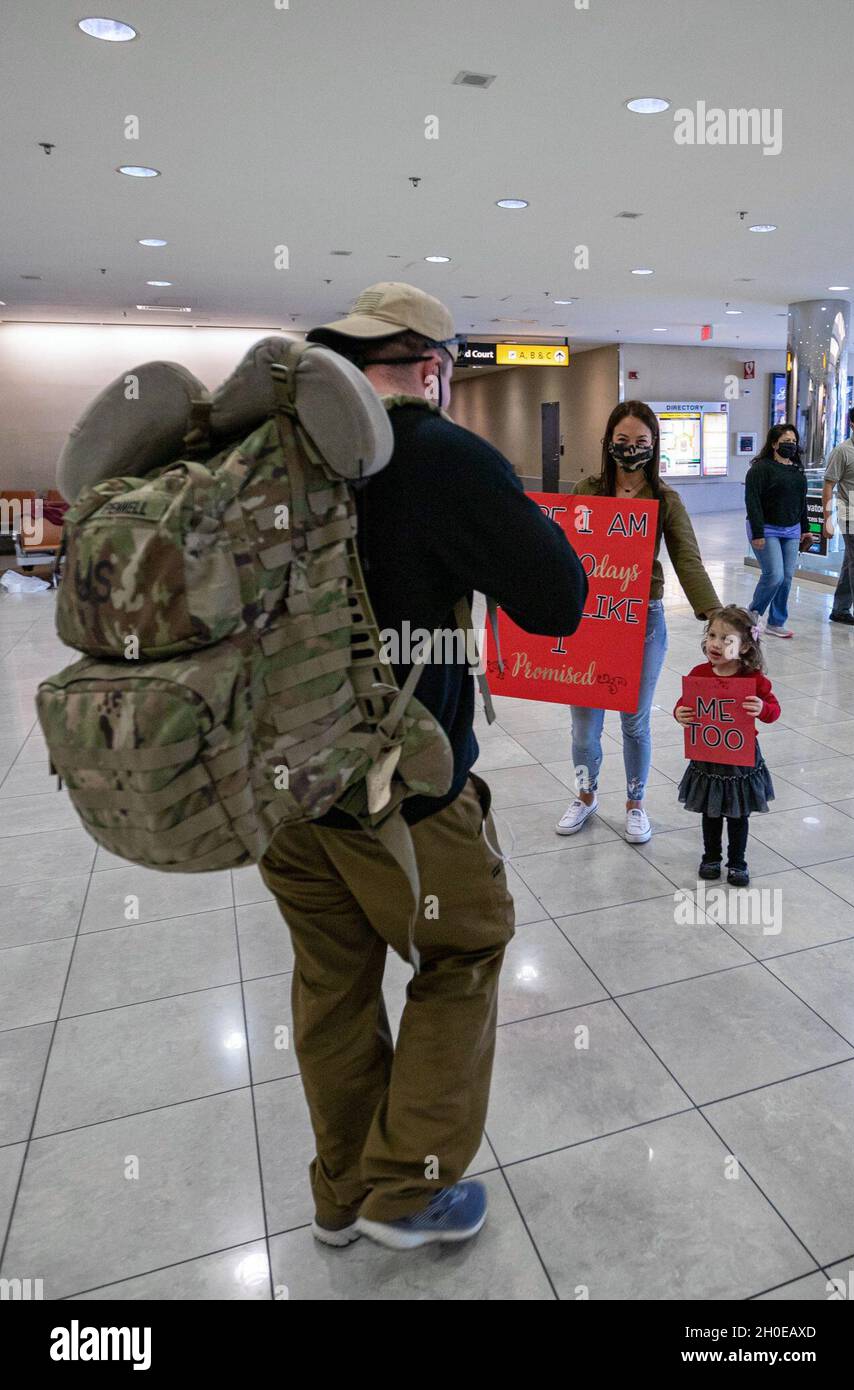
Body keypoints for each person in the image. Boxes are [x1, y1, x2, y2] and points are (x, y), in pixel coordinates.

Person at [259, 283, 588, 1251]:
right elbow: (559, 597)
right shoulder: (437, 453)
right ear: (433, 369)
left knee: (332, 985)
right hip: (398, 800)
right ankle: (409, 1189)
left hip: (282, 796)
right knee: (464, 950)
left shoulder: (278, 454)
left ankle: (341, 1192)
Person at [556, 400, 720, 844]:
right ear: (608, 442)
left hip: (641, 619)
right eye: (623, 442)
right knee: (584, 725)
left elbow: (687, 557)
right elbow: (560, 545)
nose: (630, 450)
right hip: (589, 619)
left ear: (655, 446)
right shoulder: (587, 490)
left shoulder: (665, 499)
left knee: (634, 720)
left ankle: (635, 802)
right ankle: (585, 796)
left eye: (641, 443)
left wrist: (713, 611)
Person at [674, 606, 780, 887]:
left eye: (726, 639)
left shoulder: (753, 679)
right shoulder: (699, 673)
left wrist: (762, 707)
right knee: (710, 812)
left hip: (739, 758)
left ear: (745, 647)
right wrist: (680, 713)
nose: (715, 644)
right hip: (708, 757)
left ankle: (737, 862)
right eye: (712, 635)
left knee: (737, 814)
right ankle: (710, 856)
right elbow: (685, 704)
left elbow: (773, 710)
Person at [744, 423, 811, 639]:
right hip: (766, 528)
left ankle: (776, 621)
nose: (791, 445)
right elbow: (752, 501)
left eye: (793, 442)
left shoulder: (797, 471)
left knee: (787, 577)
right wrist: (757, 533)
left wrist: (806, 529)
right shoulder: (760, 468)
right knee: (774, 575)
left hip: (791, 529)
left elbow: (802, 503)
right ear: (774, 444)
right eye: (786, 442)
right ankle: (752, 614)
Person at [824, 401, 854, 637]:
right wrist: (828, 519)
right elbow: (828, 485)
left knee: (852, 563)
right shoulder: (842, 451)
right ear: (852, 423)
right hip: (851, 513)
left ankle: (840, 609)